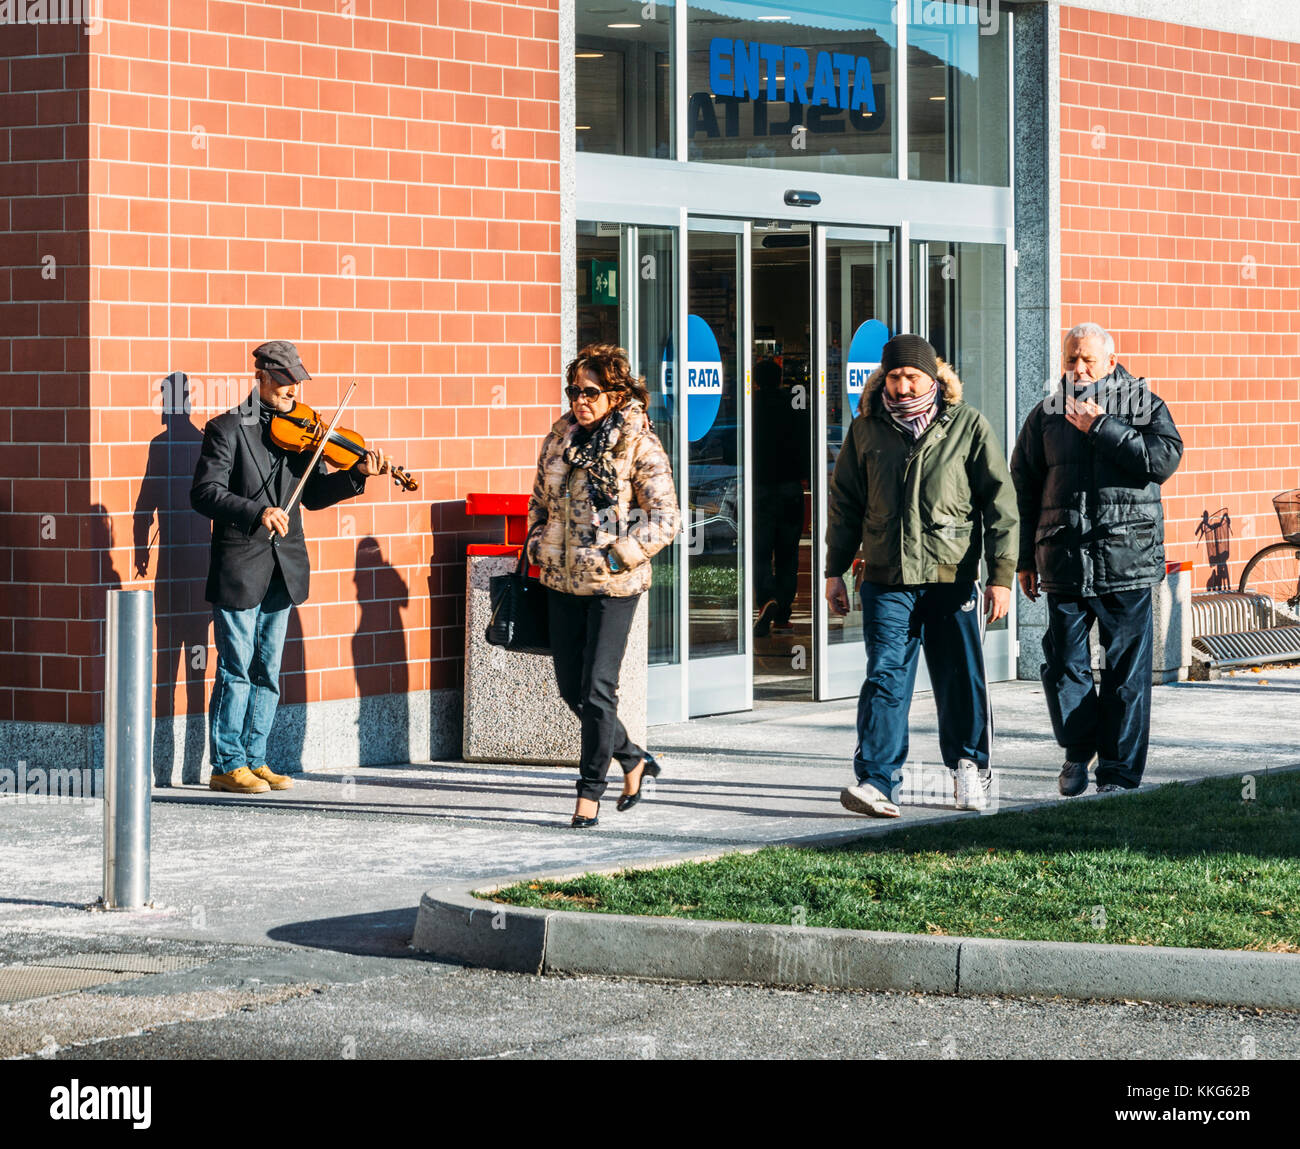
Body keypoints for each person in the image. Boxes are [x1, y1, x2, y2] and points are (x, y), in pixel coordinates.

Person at [825, 334, 1018, 817]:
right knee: (886, 677)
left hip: (952, 578)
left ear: (934, 377)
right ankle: (876, 782)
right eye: (894, 375)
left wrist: (1001, 576)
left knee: (960, 678)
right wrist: (833, 571)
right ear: (883, 379)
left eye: (913, 375)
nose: (903, 385)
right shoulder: (866, 429)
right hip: (886, 578)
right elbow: (845, 504)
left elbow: (1000, 505)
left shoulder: (967, 426)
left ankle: (969, 768)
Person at [191, 340, 388, 795]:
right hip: (240, 565)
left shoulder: (300, 430)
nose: (293, 391)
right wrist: (255, 512)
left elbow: (314, 495)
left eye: (297, 382)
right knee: (236, 668)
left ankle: (256, 760)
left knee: (267, 672)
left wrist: (357, 475)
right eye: (284, 382)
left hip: (283, 565)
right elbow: (204, 494)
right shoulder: (226, 429)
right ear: (260, 377)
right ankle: (227, 763)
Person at [1010, 323, 1183, 796]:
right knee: (1065, 665)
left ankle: (1118, 775)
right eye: (1070, 360)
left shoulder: (1143, 404)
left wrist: (1103, 427)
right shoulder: (1044, 414)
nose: (1078, 369)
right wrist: (1025, 559)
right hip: (1064, 558)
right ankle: (1076, 749)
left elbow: (1163, 460)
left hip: (1127, 558)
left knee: (1127, 675)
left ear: (1111, 360)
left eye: (1087, 359)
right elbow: (1023, 486)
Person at [526, 344, 680, 828]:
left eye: (589, 392)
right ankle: (632, 756)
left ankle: (589, 794)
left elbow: (667, 517)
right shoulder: (558, 439)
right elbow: (538, 501)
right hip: (560, 580)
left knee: (597, 690)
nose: (579, 400)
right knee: (571, 689)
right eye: (573, 391)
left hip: (614, 584)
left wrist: (620, 554)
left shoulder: (639, 444)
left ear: (615, 393)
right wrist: (536, 542)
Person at [752, 354, 810, 637]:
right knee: (788, 554)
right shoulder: (795, 407)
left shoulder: (751, 408)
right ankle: (783, 615)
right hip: (790, 488)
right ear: (780, 380)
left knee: (760, 552)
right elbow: (806, 446)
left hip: (759, 488)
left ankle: (767, 600)